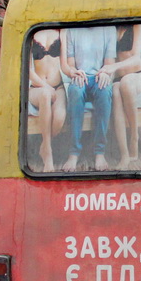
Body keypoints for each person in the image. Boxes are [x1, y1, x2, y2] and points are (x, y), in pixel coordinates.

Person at [59, 25, 117, 171]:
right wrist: (75, 72)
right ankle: (73, 153)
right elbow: (70, 64)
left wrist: (105, 72)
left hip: (99, 76)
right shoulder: (73, 30)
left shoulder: (109, 28)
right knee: (76, 92)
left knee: (104, 91)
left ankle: (99, 152)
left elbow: (109, 63)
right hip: (81, 77)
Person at [110, 25, 141, 170]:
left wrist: (113, 68)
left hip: (138, 74)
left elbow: (135, 56)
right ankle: (124, 154)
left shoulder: (137, 25)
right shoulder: (112, 28)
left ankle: (134, 137)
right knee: (115, 91)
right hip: (118, 79)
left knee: (126, 83)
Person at [27, 28, 66, 172]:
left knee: (60, 118)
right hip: (38, 88)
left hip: (58, 87)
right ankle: (48, 154)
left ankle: (44, 145)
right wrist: (45, 86)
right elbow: (28, 70)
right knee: (45, 95)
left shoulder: (62, 32)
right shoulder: (32, 32)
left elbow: (66, 63)